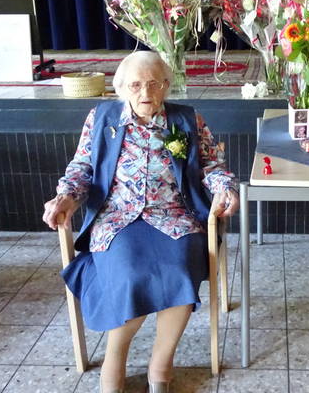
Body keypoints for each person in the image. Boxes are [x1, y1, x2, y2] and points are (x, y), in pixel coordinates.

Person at [42, 51, 238, 393]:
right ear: (120, 88)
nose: (145, 92)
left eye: (154, 84)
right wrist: (66, 196)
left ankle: (160, 366)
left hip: (176, 216)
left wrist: (225, 189)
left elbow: (210, 165)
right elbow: (82, 167)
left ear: (166, 85)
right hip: (117, 218)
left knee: (180, 274)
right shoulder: (102, 118)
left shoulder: (187, 119)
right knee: (130, 278)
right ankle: (115, 357)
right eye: (135, 85)